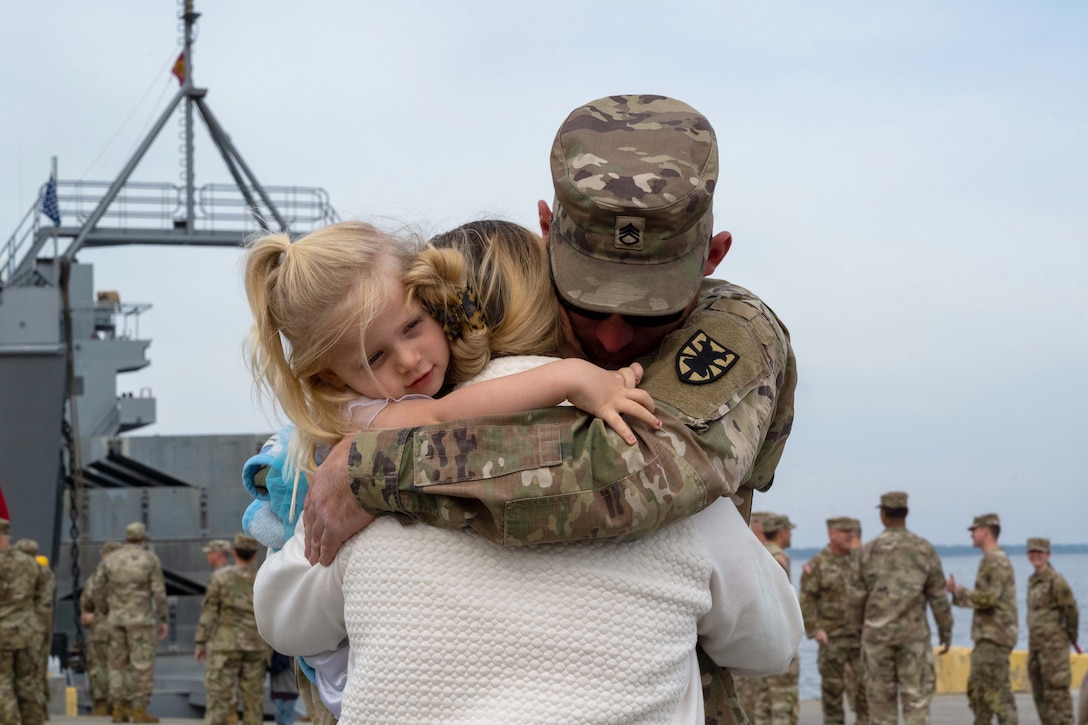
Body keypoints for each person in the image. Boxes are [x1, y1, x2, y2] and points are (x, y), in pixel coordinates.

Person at [301, 93, 798, 723]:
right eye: (587, 303)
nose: (612, 339)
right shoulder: (436, 365)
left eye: (650, 311)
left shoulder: (734, 330)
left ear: (714, 255)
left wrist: (376, 468)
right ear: (544, 234)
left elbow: (631, 471)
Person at [861, 492, 953, 725]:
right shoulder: (924, 549)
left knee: (881, 710)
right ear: (906, 513)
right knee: (916, 704)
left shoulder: (867, 551)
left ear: (883, 515)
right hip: (913, 641)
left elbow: (855, 600)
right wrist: (946, 633)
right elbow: (938, 598)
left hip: (876, 642)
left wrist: (854, 637)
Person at [89, 521, 168, 723]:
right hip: (141, 621)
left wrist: (102, 610)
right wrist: (163, 617)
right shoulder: (149, 559)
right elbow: (159, 592)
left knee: (116, 665)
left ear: (126, 537)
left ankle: (118, 708)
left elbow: (97, 588)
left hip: (115, 620)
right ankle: (140, 710)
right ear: (142, 538)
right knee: (142, 664)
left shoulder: (111, 560)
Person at [947, 513, 1018, 725]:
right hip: (987, 638)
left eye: (974, 530)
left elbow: (988, 598)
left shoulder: (996, 562)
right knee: (979, 694)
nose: (972, 534)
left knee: (998, 695)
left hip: (994, 639)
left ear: (986, 531)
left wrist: (960, 592)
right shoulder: (990, 560)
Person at [799, 516, 868, 725]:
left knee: (865, 693)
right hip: (832, 640)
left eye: (851, 531)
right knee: (832, 698)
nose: (850, 535)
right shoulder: (817, 565)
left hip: (860, 639)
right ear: (832, 534)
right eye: (844, 531)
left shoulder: (861, 561)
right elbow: (807, 601)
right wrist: (815, 630)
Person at [195, 533, 269, 725]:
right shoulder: (264, 578)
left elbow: (209, 611)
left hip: (224, 645)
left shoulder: (221, 577)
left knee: (218, 700)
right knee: (253, 702)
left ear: (234, 552)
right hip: (256, 646)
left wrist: (200, 642)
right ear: (254, 554)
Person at [741, 513, 799, 725]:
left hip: (752, 644)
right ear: (780, 531)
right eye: (789, 530)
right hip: (777, 641)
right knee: (783, 704)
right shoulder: (777, 557)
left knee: (757, 706)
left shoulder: (749, 555)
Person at [1025, 537, 1079, 725]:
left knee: (1058, 697)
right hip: (1036, 648)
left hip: (1054, 650)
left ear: (1048, 555)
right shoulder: (1032, 581)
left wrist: (1069, 636)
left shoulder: (1057, 581)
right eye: (1032, 552)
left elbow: (1071, 610)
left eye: (1040, 552)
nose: (1036, 556)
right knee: (1040, 696)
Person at [1, 518, 48, 725]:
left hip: (2, 636)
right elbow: (42, 597)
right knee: (27, 682)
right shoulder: (30, 563)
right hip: (27, 633)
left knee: (3, 683)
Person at [14, 538, 54, 722]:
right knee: (39, 667)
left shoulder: (16, 571)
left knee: (22, 670)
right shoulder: (45, 573)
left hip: (21, 626)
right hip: (42, 626)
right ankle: (41, 707)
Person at [268, 651, 299, 725]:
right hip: (291, 691)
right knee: (287, 716)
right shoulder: (294, 655)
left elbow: (276, 667)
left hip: (282, 691)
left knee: (282, 718)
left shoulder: (282, 654)